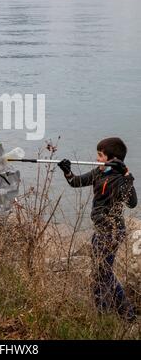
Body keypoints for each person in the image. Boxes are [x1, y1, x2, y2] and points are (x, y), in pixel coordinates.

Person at [58, 137, 138, 322]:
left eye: (100, 155)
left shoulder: (119, 179)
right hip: (100, 231)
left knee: (103, 274)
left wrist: (126, 174)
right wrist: (67, 172)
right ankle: (122, 315)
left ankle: (112, 315)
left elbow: (132, 203)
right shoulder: (99, 172)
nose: (96, 158)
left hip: (112, 232)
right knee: (102, 272)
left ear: (112, 159)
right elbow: (76, 182)